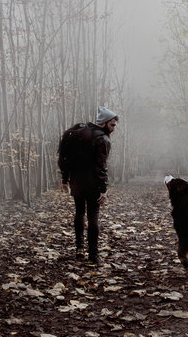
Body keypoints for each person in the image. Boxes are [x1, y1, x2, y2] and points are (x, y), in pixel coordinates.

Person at [60, 107, 118, 265]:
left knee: (79, 212)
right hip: (92, 183)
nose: (113, 128)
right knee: (93, 217)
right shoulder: (103, 140)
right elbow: (101, 167)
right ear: (104, 123)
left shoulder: (79, 132)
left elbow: (65, 157)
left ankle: (79, 249)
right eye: (112, 125)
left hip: (77, 181)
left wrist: (65, 178)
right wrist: (103, 190)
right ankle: (93, 254)